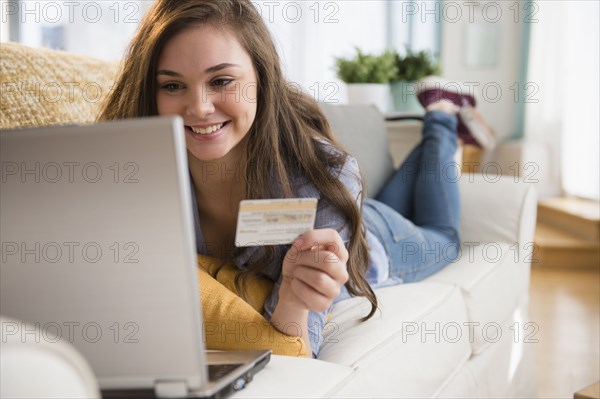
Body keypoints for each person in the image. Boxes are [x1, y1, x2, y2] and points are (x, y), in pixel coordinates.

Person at [98, 0, 493, 358]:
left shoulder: (322, 175)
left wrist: (293, 299)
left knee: (446, 237)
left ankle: (442, 114)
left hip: (381, 240)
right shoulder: (144, 173)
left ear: (262, 79)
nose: (199, 108)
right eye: (172, 85)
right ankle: (434, 133)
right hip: (355, 205)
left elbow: (299, 348)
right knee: (387, 197)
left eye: (221, 81)